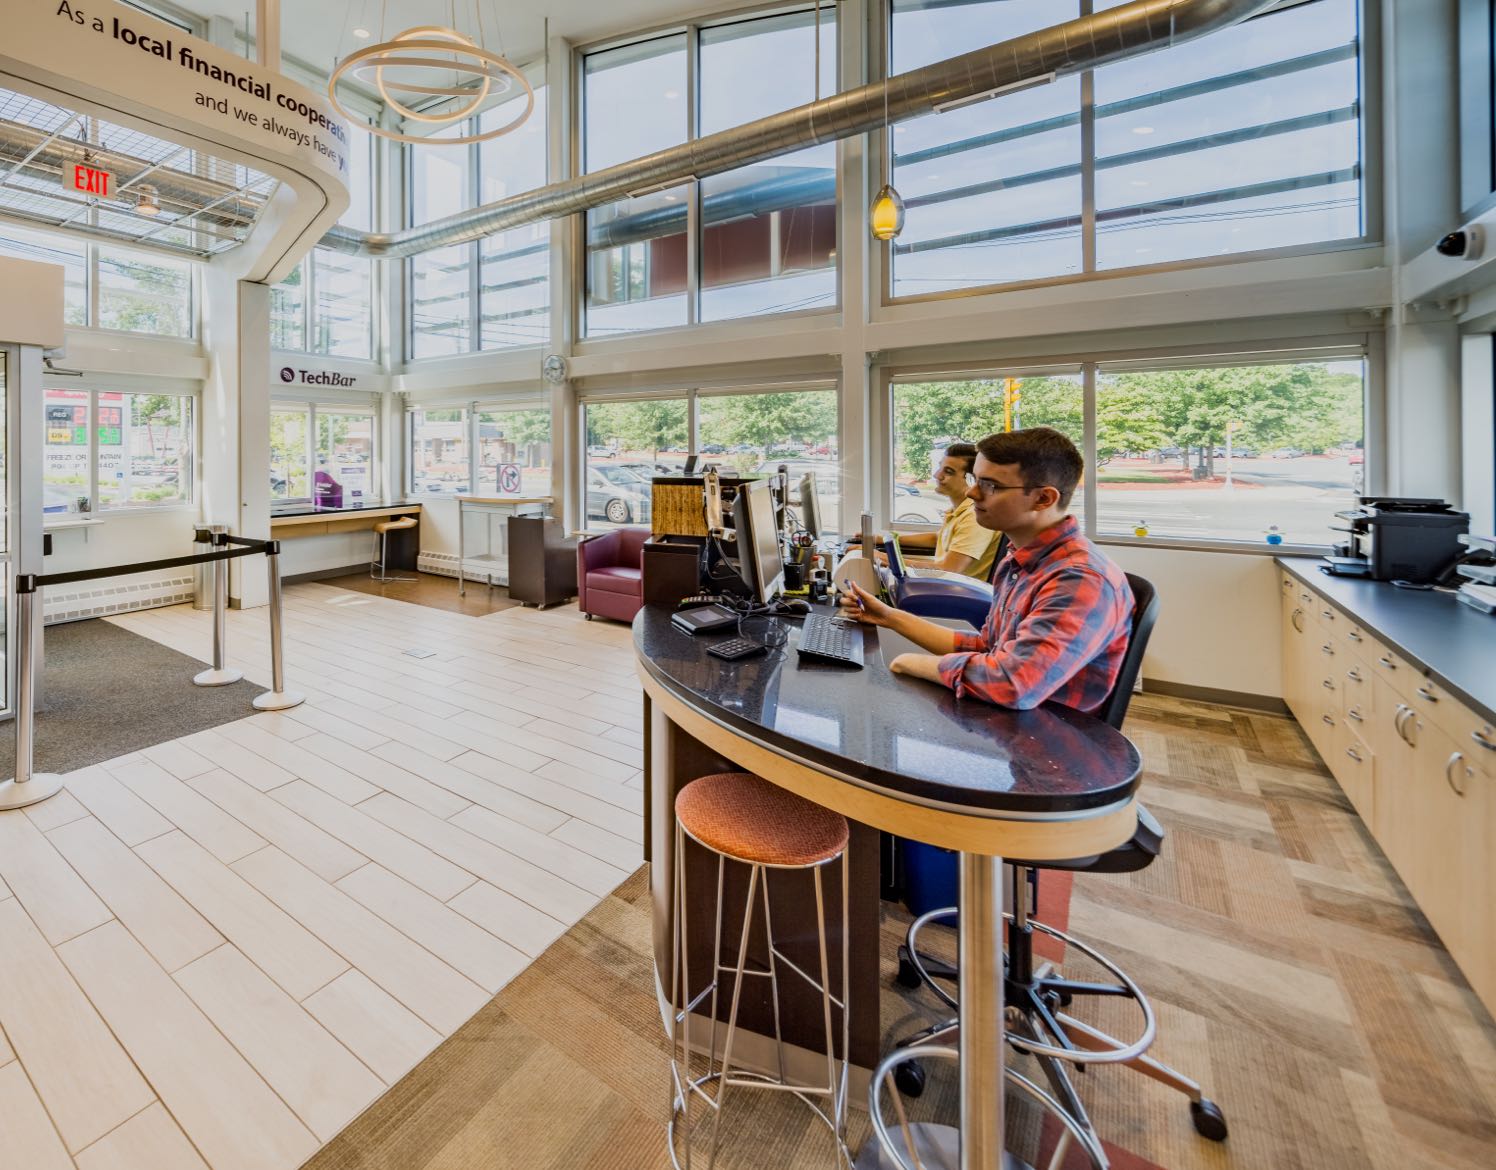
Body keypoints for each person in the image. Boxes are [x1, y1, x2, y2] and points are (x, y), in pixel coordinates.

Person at [840, 427, 1132, 713]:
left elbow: (1010, 682)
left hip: (1050, 740)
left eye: (990, 485)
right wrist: (889, 617)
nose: (971, 493)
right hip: (1011, 722)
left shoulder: (1079, 578)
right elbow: (987, 646)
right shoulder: (1019, 560)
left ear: (1044, 499)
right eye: (974, 480)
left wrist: (909, 662)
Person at [891, 442, 1004, 580]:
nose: (937, 475)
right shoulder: (958, 510)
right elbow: (939, 538)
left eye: (948, 472)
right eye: (940, 467)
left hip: (959, 595)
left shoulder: (974, 516)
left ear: (971, 479)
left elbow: (948, 570)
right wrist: (886, 539)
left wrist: (885, 559)